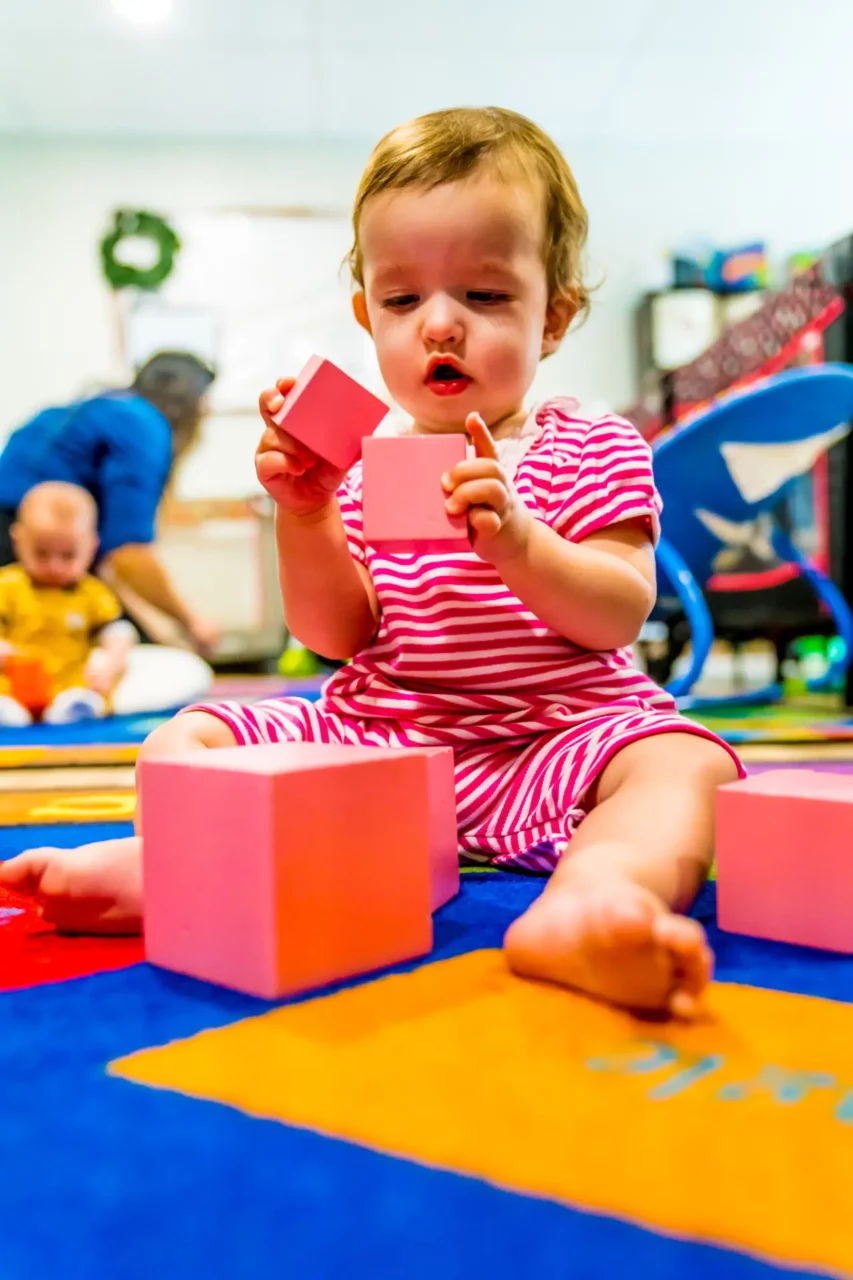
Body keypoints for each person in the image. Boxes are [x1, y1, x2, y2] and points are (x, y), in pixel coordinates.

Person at [0, 107, 743, 1018]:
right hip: (387, 738)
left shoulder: (594, 444)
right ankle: (193, 869)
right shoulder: (354, 463)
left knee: (689, 766)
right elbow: (334, 636)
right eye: (402, 301)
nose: (439, 324)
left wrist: (519, 542)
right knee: (186, 734)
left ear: (552, 315)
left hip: (563, 737)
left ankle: (598, 896)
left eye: (483, 295)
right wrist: (305, 510)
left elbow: (618, 613)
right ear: (367, 316)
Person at [0, 351, 219, 656]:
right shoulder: (144, 425)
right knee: (145, 661)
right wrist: (192, 622)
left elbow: (100, 572)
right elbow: (128, 553)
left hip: (20, 540)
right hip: (21, 548)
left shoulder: (87, 409)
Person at [0, 482, 135, 724]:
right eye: (41, 553)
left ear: (92, 548)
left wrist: (113, 662)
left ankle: (74, 711)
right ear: (18, 540)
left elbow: (118, 631)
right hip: (11, 688)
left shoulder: (91, 592)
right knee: (6, 707)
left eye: (68, 556)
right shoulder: (8, 585)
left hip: (70, 686)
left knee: (84, 698)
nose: (55, 566)